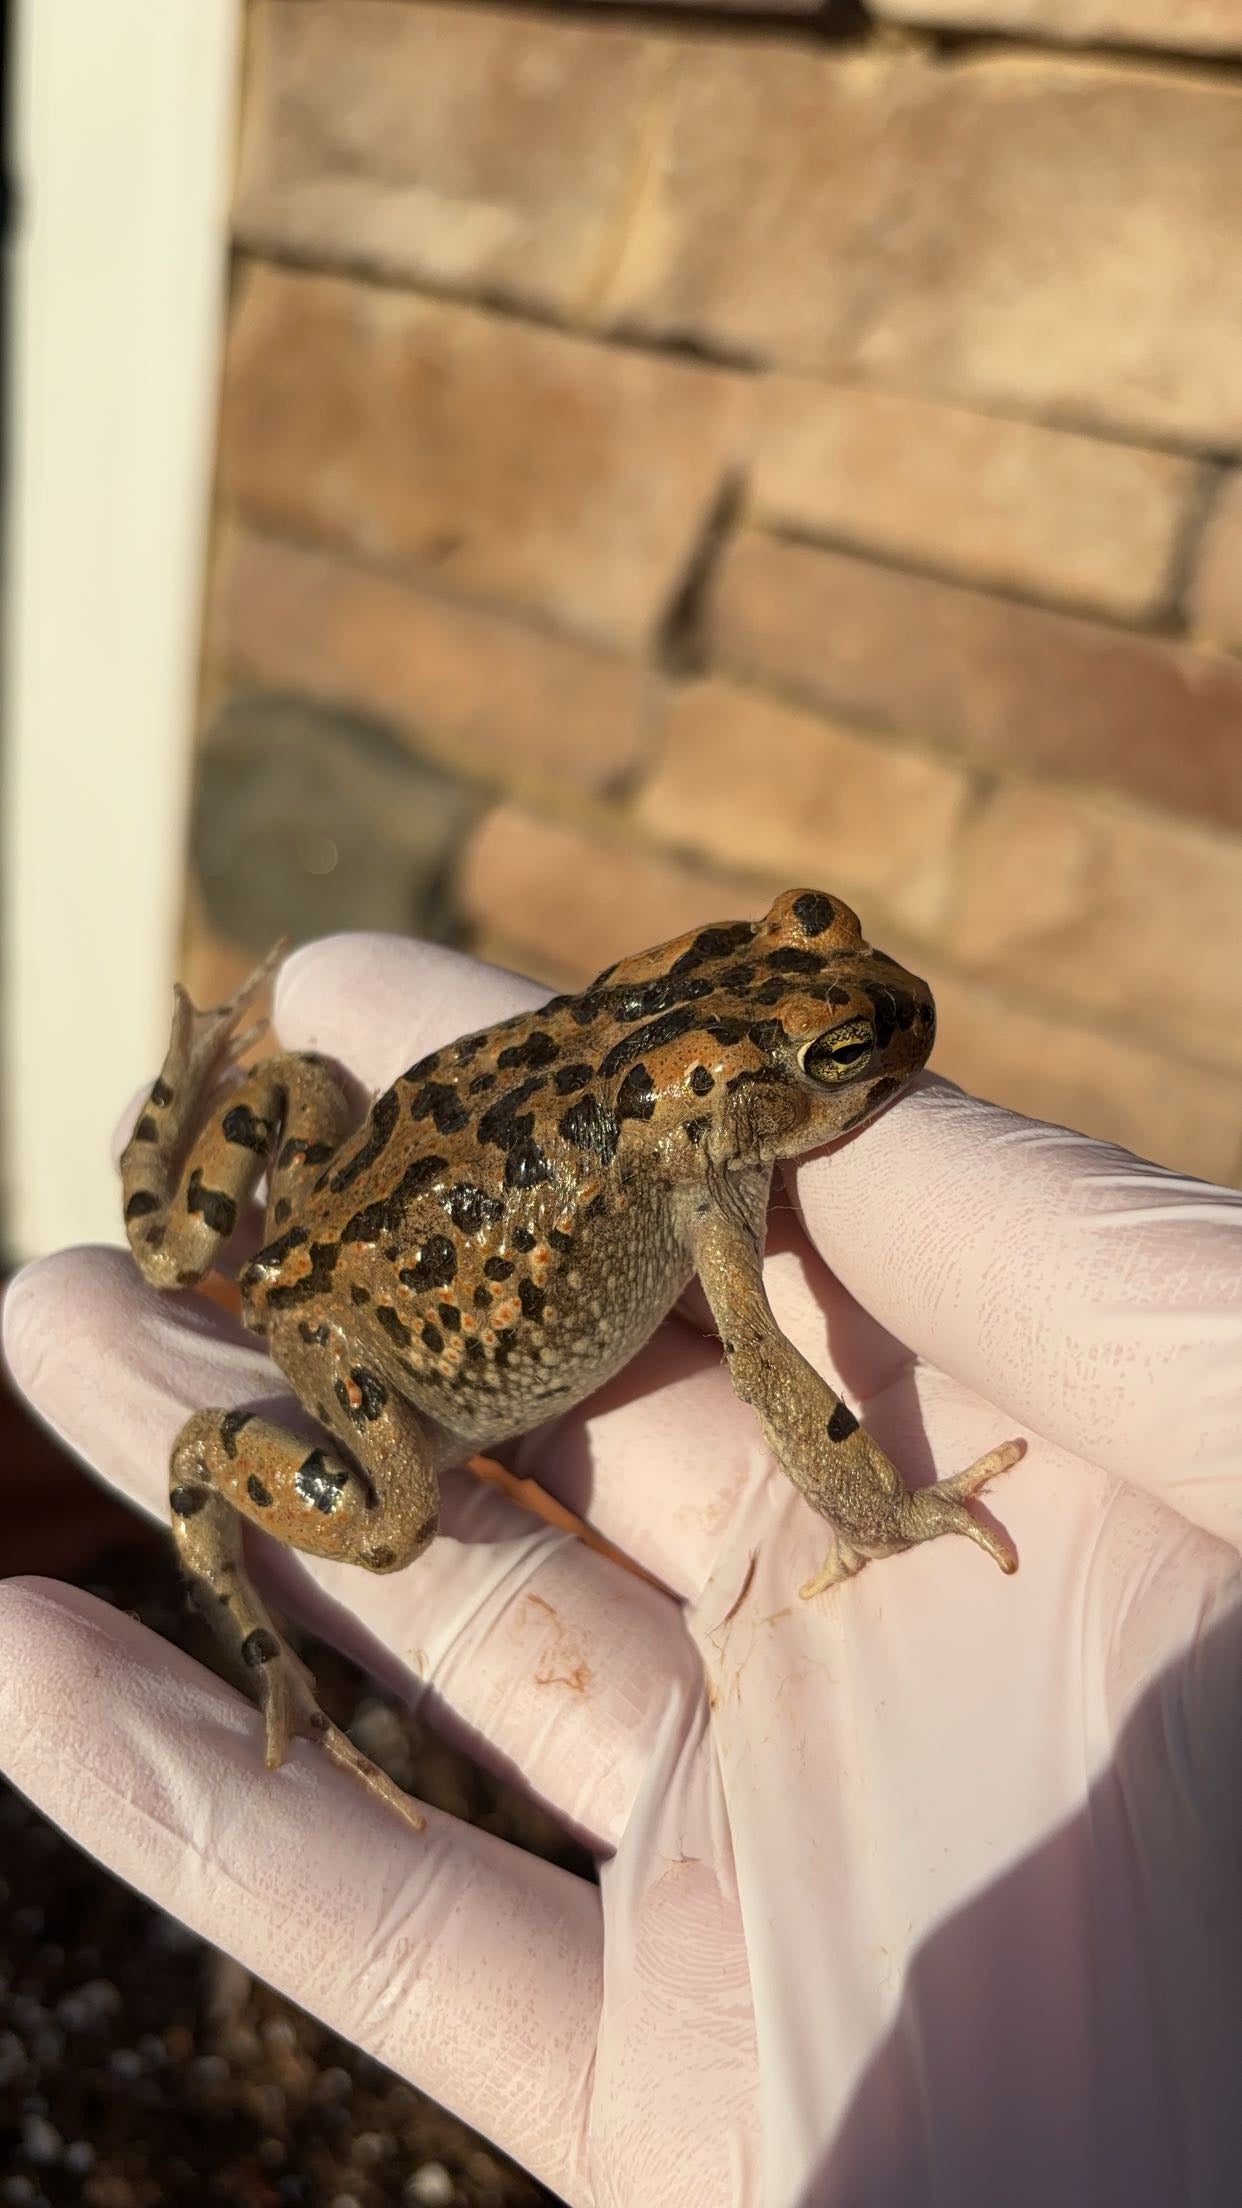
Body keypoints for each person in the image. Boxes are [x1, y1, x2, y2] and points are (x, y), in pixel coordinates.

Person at [3, 933, 1240, 2207]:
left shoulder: (659, 1060)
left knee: (300, 1088)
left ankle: (204, 1105)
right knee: (390, 1522)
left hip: (360, 1195)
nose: (895, 1011)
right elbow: (761, 1363)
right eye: (839, 1057)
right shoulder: (697, 1160)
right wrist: (880, 1516)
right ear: (747, 1094)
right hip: (361, 1349)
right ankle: (212, 1472)